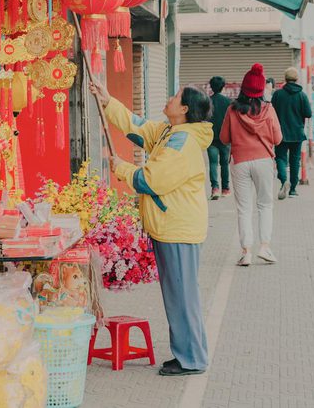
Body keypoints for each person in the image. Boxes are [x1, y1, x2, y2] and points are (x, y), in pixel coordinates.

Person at [89, 80, 213, 377]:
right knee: (178, 295)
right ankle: (187, 354)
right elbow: (140, 128)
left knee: (182, 296)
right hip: (171, 226)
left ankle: (192, 358)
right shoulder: (173, 133)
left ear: (184, 109)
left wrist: (121, 168)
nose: (168, 99)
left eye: (174, 97)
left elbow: (152, 180)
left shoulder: (182, 142)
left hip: (178, 229)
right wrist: (108, 101)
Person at [221, 64, 283, 267]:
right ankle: (264, 247)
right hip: (263, 161)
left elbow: (223, 138)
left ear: (243, 88)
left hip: (240, 162)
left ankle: (246, 252)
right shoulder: (269, 110)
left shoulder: (232, 110)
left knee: (244, 208)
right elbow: (278, 138)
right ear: (261, 89)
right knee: (265, 205)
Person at [271, 67, 312, 199]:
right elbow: (308, 113)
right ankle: (293, 189)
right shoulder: (302, 95)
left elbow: (271, 113)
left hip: (280, 133)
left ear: (285, 79)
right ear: (297, 79)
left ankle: (284, 181)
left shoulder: (277, 94)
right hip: (297, 133)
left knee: (281, 158)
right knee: (295, 161)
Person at [206, 76, 232, 200]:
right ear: (223, 87)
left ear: (211, 87)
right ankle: (226, 189)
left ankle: (215, 189)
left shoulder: (206, 102)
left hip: (210, 138)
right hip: (225, 138)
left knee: (213, 163)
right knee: (225, 164)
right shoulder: (228, 102)